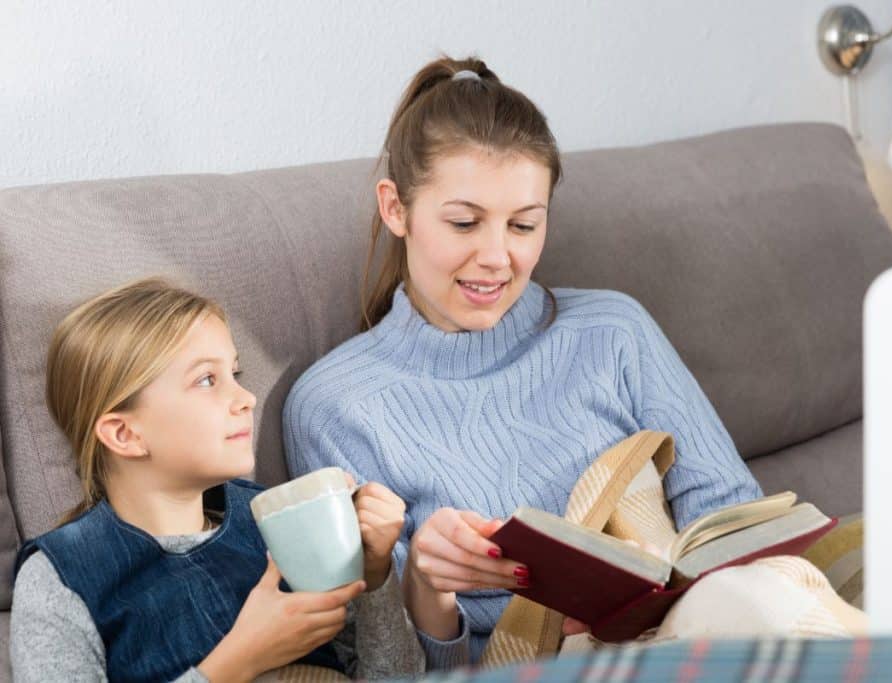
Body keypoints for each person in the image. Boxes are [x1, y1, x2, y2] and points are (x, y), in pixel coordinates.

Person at [282, 56, 773, 669]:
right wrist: (430, 587)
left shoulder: (613, 330)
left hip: (702, 636)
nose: (497, 257)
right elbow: (386, 666)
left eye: (523, 225)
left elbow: (733, 521)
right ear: (395, 208)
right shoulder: (333, 405)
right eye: (464, 222)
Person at [11, 278, 425, 682]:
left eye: (235, 373)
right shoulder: (60, 578)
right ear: (126, 434)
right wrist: (236, 663)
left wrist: (374, 574)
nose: (247, 398)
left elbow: (398, 676)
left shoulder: (280, 521)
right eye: (207, 380)